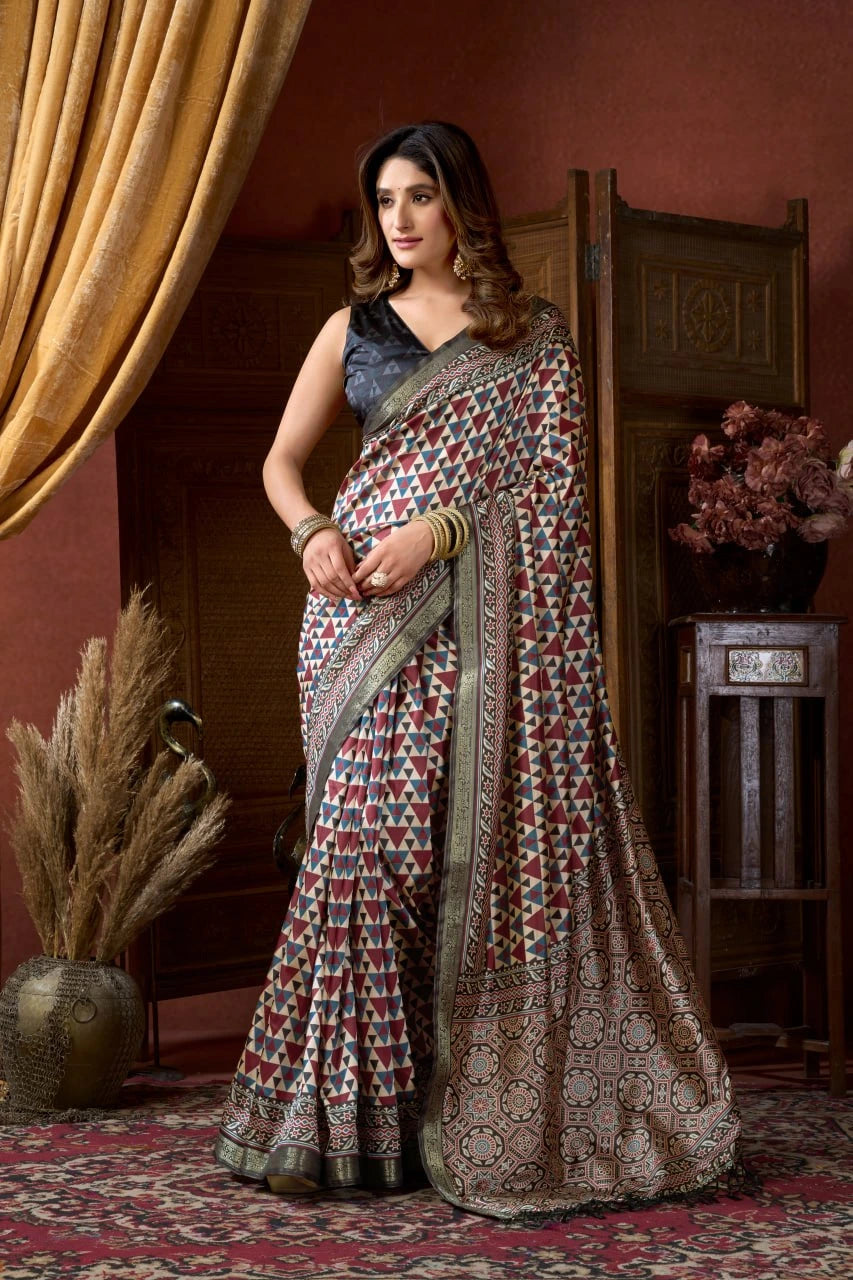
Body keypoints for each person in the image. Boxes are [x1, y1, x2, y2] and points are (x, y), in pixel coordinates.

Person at [214, 121, 743, 1221]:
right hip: (355, 621)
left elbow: (552, 502)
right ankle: (333, 1123)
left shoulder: (528, 337)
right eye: (384, 202)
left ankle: (426, 1103)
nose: (398, 221)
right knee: (353, 857)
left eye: (419, 196)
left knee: (433, 860)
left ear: (463, 207)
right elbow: (279, 460)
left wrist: (448, 530)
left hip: (478, 638)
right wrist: (313, 527)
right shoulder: (350, 328)